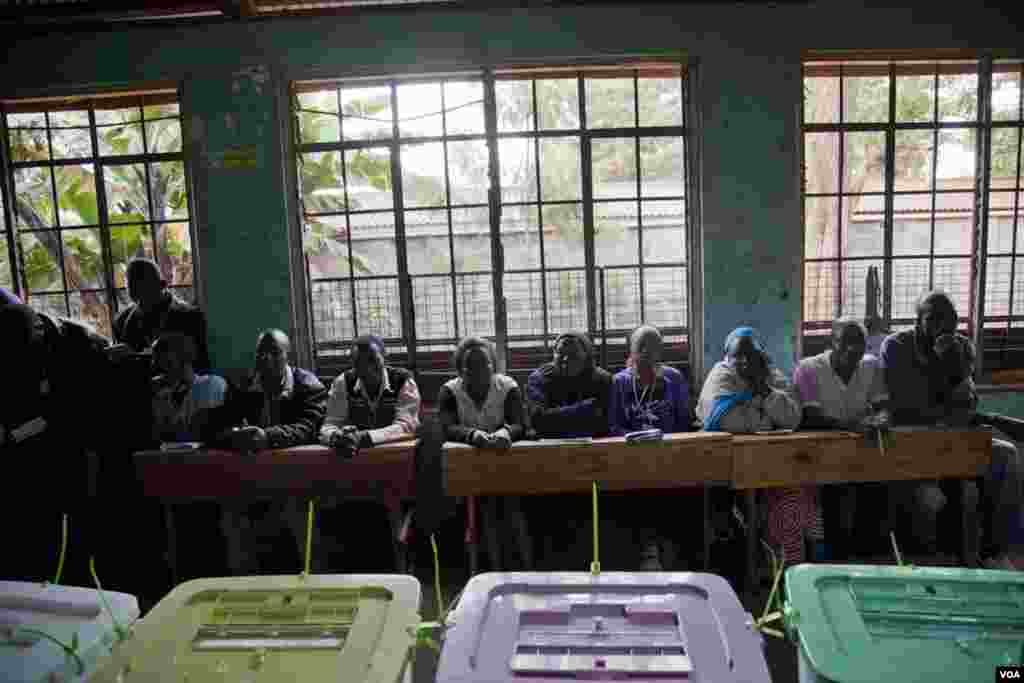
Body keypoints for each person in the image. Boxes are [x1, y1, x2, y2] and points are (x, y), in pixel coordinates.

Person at [882, 290, 1024, 568]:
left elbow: (967, 400)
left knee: (1006, 457)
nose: (943, 327)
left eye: (950, 320)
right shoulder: (896, 345)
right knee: (935, 496)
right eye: (933, 319)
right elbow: (906, 403)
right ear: (917, 320)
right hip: (912, 439)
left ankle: (993, 551)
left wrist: (952, 364)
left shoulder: (962, 347)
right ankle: (935, 557)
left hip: (956, 436)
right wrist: (940, 374)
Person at [1, 302, 110, 587]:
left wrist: (13, 435)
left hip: (69, 461)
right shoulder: (14, 353)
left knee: (71, 545)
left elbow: (61, 415)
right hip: (27, 467)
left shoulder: (73, 350)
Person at [214, 329, 328, 575]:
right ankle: (244, 591)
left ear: (288, 356)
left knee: (301, 516)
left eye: (274, 353)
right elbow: (219, 425)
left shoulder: (308, 385)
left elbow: (309, 428)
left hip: (299, 478)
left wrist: (268, 436)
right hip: (252, 479)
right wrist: (235, 435)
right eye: (261, 353)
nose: (266, 359)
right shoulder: (243, 386)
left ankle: (313, 583)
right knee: (231, 515)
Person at [698, 327, 813, 566]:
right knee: (733, 524)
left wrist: (764, 390)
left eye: (750, 355)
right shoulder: (721, 376)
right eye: (737, 355)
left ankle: (778, 569)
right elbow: (726, 420)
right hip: (725, 469)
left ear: (761, 355)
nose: (744, 361)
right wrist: (764, 417)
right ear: (726, 358)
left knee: (789, 508)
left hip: (772, 465)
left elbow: (792, 417)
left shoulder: (771, 375)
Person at [793, 317, 890, 559]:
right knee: (833, 500)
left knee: (878, 491)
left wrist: (882, 418)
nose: (852, 349)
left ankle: (867, 561)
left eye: (859, 343)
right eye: (844, 342)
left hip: (861, 454)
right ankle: (837, 561)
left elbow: (882, 406)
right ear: (831, 342)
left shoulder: (871, 367)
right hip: (821, 457)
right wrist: (854, 426)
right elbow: (810, 417)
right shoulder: (808, 369)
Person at [439, 336, 531, 570]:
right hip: (472, 465)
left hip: (506, 460)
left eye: (485, 364)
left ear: (493, 366)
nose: (479, 370)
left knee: (513, 511)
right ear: (461, 369)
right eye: (471, 366)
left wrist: (505, 433)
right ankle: (492, 570)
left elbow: (520, 423)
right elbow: (447, 428)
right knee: (485, 513)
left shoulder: (508, 387)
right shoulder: (449, 391)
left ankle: (526, 569)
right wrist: (473, 436)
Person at [609, 325, 692, 570]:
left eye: (654, 347)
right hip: (631, 456)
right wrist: (635, 439)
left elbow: (684, 420)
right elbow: (613, 425)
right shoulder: (619, 382)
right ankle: (644, 553)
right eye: (641, 346)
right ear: (631, 350)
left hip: (667, 454)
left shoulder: (673, 378)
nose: (647, 352)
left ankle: (670, 554)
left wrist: (664, 441)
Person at [320, 334, 421, 453]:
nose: (367, 368)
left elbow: (406, 427)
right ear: (352, 364)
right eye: (358, 362)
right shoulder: (343, 382)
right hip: (354, 454)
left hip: (394, 452)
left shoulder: (403, 381)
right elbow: (330, 424)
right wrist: (336, 436)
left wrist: (366, 437)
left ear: (385, 358)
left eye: (373, 360)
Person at [111, 258, 209, 371]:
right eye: (136, 298)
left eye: (146, 293)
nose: (141, 304)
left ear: (162, 285)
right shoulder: (121, 321)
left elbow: (200, 365)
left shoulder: (191, 317)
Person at [527, 331, 612, 439]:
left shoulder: (603, 379)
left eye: (573, 355)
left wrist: (554, 416)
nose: (565, 359)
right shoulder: (539, 378)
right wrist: (585, 408)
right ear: (553, 354)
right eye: (560, 353)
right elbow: (538, 421)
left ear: (587, 356)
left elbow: (605, 424)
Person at [151, 332, 227, 444]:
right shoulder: (162, 395)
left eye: (167, 363)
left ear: (185, 359)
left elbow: (205, 431)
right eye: (156, 362)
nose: (160, 368)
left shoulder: (211, 384)